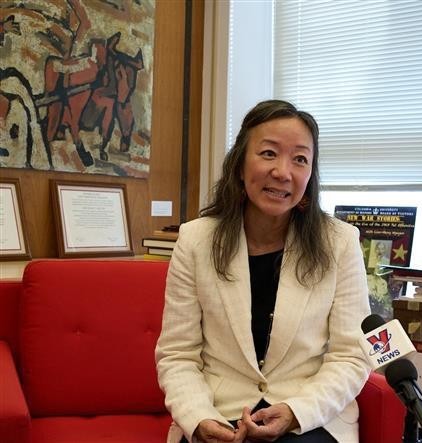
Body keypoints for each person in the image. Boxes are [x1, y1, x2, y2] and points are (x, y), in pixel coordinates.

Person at [155, 100, 371, 443]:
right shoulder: (195, 240)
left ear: (310, 174)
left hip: (308, 415)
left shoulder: (340, 243)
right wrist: (198, 418)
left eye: (300, 159)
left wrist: (295, 412)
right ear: (240, 165)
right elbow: (178, 354)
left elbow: (351, 355)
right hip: (219, 411)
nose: (283, 172)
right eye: (269, 153)